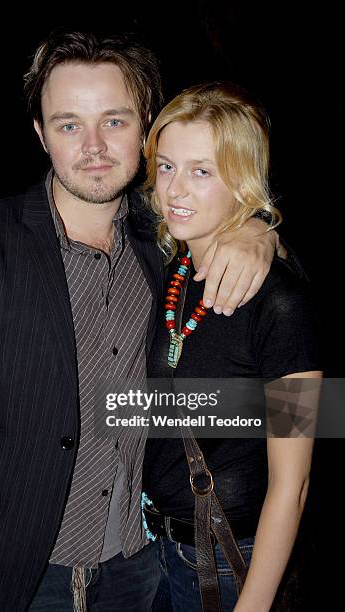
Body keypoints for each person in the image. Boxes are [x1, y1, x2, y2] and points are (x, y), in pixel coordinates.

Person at [0, 31, 278, 612]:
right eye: (69, 124)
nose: (93, 146)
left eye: (114, 121)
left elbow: (295, 398)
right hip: (1, 571)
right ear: (41, 135)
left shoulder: (171, 238)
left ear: (146, 125)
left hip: (137, 569)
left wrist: (258, 231)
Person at [141, 82, 322, 611]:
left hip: (229, 561)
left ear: (242, 181)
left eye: (202, 171)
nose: (175, 189)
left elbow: (295, 483)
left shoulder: (282, 304)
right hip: (159, 550)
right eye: (167, 166)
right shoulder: (174, 268)